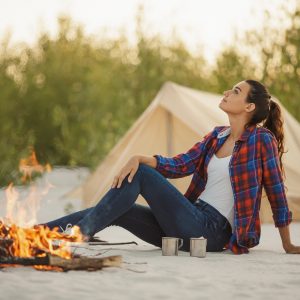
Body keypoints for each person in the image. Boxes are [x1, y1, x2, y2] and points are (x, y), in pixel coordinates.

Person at [43, 79, 300, 254]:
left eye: (235, 91)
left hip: (212, 231)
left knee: (142, 175)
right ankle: (36, 233)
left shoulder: (260, 140)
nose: (226, 93)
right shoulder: (216, 136)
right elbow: (180, 164)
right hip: (190, 218)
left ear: (249, 106)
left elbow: (277, 192)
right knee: (120, 208)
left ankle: (81, 233)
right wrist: (140, 157)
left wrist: (287, 244)